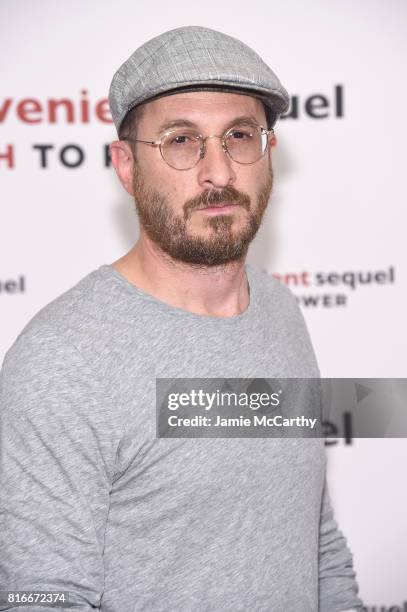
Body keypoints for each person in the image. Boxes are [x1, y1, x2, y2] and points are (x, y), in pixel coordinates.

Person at [0, 26, 363, 611]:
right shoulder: (61, 360)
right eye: (181, 141)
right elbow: (40, 598)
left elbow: (315, 540)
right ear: (125, 166)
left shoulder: (281, 312)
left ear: (269, 152)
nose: (218, 172)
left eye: (239, 136)